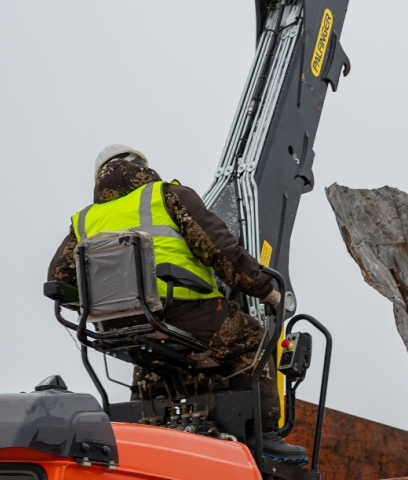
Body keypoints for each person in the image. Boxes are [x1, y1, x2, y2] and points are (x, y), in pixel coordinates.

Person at [47, 144, 305, 461]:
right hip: (181, 307)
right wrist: (265, 288)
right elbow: (218, 248)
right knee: (252, 342)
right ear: (141, 166)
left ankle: (145, 434)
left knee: (154, 360)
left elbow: (59, 278)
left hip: (116, 322)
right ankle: (262, 436)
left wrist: (95, 305)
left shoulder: (85, 219)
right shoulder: (166, 195)